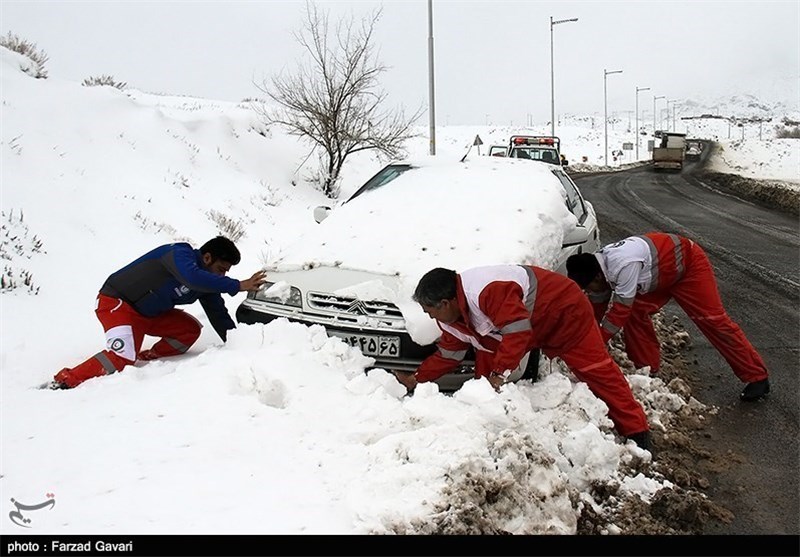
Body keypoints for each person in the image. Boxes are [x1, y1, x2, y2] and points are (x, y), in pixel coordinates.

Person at [394, 265, 651, 449]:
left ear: (445, 303)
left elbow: (517, 331)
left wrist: (499, 374)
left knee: (595, 369)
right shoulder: (449, 318)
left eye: (430, 310)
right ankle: (487, 436)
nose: (429, 317)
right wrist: (418, 378)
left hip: (562, 312)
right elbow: (450, 354)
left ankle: (636, 431)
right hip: (520, 327)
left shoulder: (487, 291)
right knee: (484, 386)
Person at [565, 232, 770, 401]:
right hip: (660, 276)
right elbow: (597, 306)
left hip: (688, 267)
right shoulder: (597, 267)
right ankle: (647, 369)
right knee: (636, 314)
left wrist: (597, 342)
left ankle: (757, 377)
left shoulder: (623, 264)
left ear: (597, 277)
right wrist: (584, 336)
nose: (589, 291)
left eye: (589, 287)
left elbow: (619, 312)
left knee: (713, 321)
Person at [50, 236, 267, 389]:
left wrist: (237, 344)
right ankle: (66, 380)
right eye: (221, 270)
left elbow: (218, 314)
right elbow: (192, 277)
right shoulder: (178, 254)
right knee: (121, 357)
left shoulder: (207, 283)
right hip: (118, 304)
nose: (222, 276)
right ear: (207, 258)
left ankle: (148, 357)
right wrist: (238, 285)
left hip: (149, 315)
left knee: (189, 330)